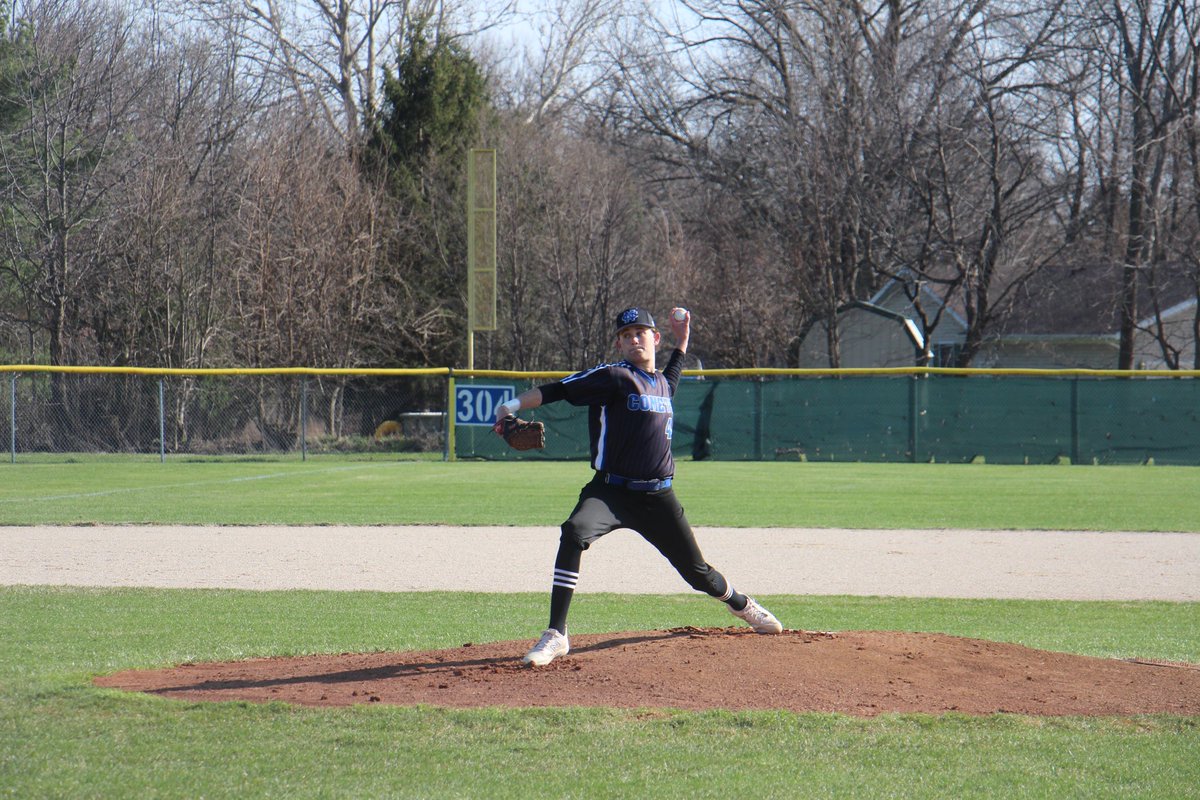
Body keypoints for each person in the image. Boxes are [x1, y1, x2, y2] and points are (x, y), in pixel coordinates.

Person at [494, 306, 783, 667]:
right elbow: (559, 389)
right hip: (610, 493)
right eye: (626, 335)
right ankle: (556, 634)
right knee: (574, 532)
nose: (633, 339)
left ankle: (742, 605)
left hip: (658, 497)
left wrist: (682, 342)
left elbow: (672, 374)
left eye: (640, 333)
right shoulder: (613, 377)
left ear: (654, 338)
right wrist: (509, 406)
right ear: (619, 343)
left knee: (698, 573)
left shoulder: (662, 383)